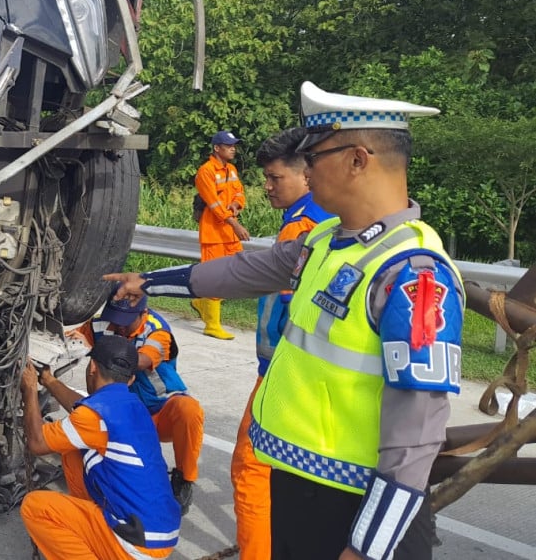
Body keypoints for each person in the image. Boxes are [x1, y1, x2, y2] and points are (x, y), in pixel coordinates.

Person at [104, 81, 463, 560]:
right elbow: (243, 270)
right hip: (299, 490)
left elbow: (417, 433)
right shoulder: (330, 239)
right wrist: (148, 281)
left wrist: (367, 547)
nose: (306, 172)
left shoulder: (412, 276)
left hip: (355, 512)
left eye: (314, 157)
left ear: (358, 159)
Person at [230, 126, 332, 560]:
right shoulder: (319, 219)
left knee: (250, 469)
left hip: (282, 376)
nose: (267, 187)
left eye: (276, 179)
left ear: (306, 176)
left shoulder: (304, 230)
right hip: (302, 375)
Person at [20, 334, 181, 560]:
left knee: (35, 507)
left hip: (137, 544)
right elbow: (81, 408)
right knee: (72, 452)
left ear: (92, 367)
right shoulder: (134, 405)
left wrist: (29, 390)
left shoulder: (94, 416)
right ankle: (91, 533)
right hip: (160, 531)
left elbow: (37, 443)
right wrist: (48, 380)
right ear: (131, 380)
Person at [93, 294, 205, 515]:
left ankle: (184, 478)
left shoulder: (157, 330)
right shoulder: (102, 324)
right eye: (116, 318)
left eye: (126, 321)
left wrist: (107, 356)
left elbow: (144, 360)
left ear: (143, 313)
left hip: (159, 411)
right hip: (125, 412)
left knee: (189, 411)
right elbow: (69, 338)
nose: (119, 327)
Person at [193, 129, 250, 340]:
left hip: (229, 232)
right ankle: (212, 324)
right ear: (217, 148)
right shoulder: (205, 172)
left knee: (236, 271)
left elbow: (238, 191)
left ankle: (201, 303)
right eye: (228, 146)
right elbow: (215, 205)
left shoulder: (231, 169)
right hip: (214, 233)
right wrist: (235, 224)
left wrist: (237, 203)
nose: (233, 149)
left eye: (234, 145)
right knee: (215, 278)